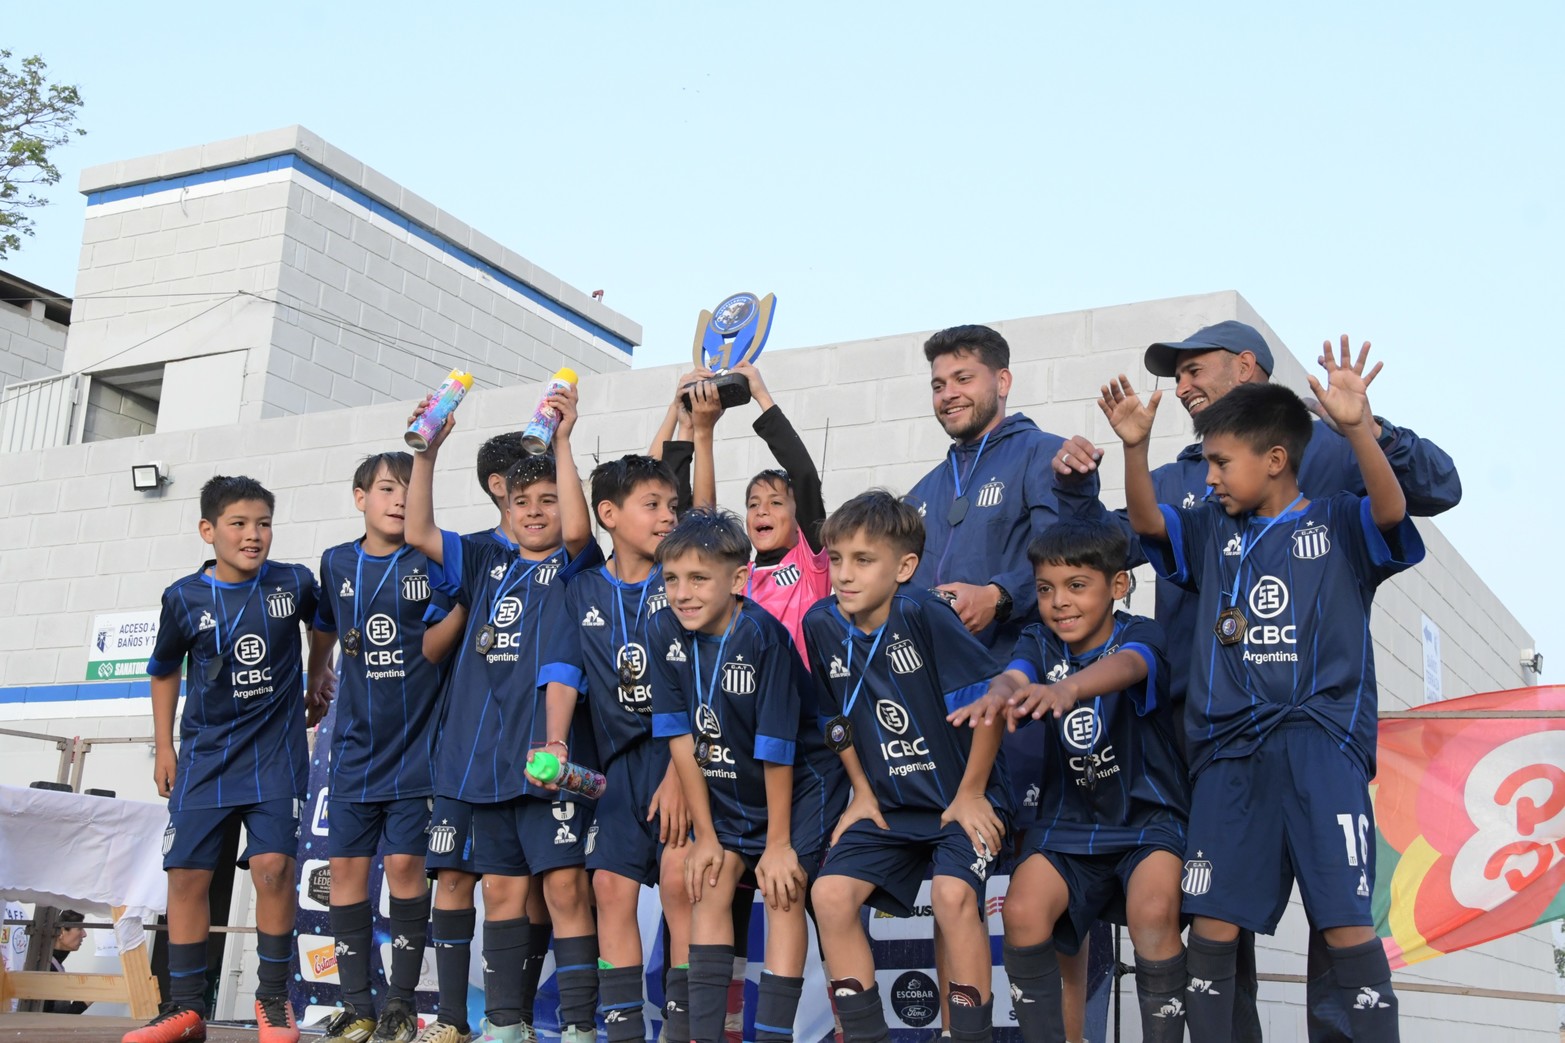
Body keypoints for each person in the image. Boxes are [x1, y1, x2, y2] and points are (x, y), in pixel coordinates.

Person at [1052, 323, 1460, 1041]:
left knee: (1341, 922)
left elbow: (1395, 511)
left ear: (1274, 460)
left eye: (1218, 462)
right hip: (1224, 755)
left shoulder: (1336, 519)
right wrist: (1134, 448)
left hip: (1318, 745)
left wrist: (1360, 428)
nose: (1207, 477)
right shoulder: (1213, 528)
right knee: (1211, 926)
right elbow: (1146, 524)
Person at [404, 404, 600, 1043]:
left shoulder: (575, 567)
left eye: (548, 499)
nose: (536, 510)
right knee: (503, 897)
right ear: (505, 509)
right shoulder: (486, 561)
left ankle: (576, 1027)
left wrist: (563, 442)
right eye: (524, 502)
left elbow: (576, 528)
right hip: (479, 763)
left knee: (566, 890)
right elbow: (418, 532)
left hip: (547, 762)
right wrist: (426, 453)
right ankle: (506, 1025)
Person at [950, 523, 1187, 1043]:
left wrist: (1067, 690)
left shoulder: (1141, 634)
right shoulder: (1038, 640)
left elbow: (1129, 668)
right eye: (1045, 589)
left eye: (1077, 585)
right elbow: (1014, 675)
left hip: (1146, 821)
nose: (1059, 602)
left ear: (1118, 587)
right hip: (1066, 825)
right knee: (1022, 909)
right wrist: (998, 692)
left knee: (1153, 909)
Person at [905, 323, 1071, 1039]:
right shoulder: (921, 487)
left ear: (1002, 381)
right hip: (948, 724)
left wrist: (999, 595)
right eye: (939, 382)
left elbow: (1070, 562)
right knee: (955, 889)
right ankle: (954, 1028)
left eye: (963, 378)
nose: (948, 393)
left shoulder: (1042, 454)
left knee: (1051, 901)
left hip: (1029, 705)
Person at [128, 475, 332, 1043]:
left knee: (273, 870)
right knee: (188, 876)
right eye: (239, 524)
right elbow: (164, 669)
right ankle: (184, 1007)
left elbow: (325, 623)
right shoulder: (185, 596)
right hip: (203, 759)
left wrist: (319, 675)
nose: (253, 535)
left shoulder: (293, 582)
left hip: (275, 756)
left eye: (263, 523)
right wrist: (164, 745)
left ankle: (272, 1001)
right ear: (208, 530)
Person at [803, 491, 1010, 1043]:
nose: (844, 575)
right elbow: (835, 717)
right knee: (828, 895)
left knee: (951, 896)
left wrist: (970, 794)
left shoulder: (923, 613)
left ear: (905, 568)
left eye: (863, 560)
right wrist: (862, 793)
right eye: (837, 559)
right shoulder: (820, 621)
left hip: (961, 794)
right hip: (890, 804)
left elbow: (990, 707)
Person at [647, 508, 847, 1043]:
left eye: (698, 578)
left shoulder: (761, 636)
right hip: (730, 784)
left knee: (781, 890)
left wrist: (778, 844)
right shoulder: (662, 627)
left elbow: (778, 748)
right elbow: (681, 739)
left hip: (799, 785)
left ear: (738, 580)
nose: (682, 593)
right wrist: (707, 836)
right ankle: (707, 1034)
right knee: (708, 882)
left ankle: (774, 1035)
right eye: (671, 579)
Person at [533, 455, 693, 1043]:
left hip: (685, 757)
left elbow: (704, 675)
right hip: (620, 763)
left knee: (680, 883)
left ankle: (685, 1030)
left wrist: (683, 769)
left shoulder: (682, 578)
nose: (667, 518)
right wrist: (554, 740)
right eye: (652, 506)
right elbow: (563, 672)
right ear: (609, 514)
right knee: (608, 888)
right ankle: (621, 1031)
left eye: (673, 507)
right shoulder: (582, 589)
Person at [312, 452, 440, 1043]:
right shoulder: (336, 560)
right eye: (387, 489)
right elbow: (325, 623)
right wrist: (319, 669)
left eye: (408, 490)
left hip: (417, 749)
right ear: (360, 496)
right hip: (355, 751)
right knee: (345, 874)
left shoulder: (431, 560)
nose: (398, 500)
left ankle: (400, 1003)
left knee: (408, 869)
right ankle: (356, 1004)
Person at [683, 362, 829, 654]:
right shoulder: (739, 574)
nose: (761, 511)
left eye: (776, 503)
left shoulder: (810, 562)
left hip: (797, 697)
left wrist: (761, 394)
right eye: (753, 504)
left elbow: (804, 475)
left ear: (799, 518)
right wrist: (692, 427)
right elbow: (700, 522)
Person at [44, 910, 89, 1015]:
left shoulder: (51, 964)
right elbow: (47, 1018)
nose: (84, 934)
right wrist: (84, 1002)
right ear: (61, 932)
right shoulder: (48, 968)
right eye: (80, 928)